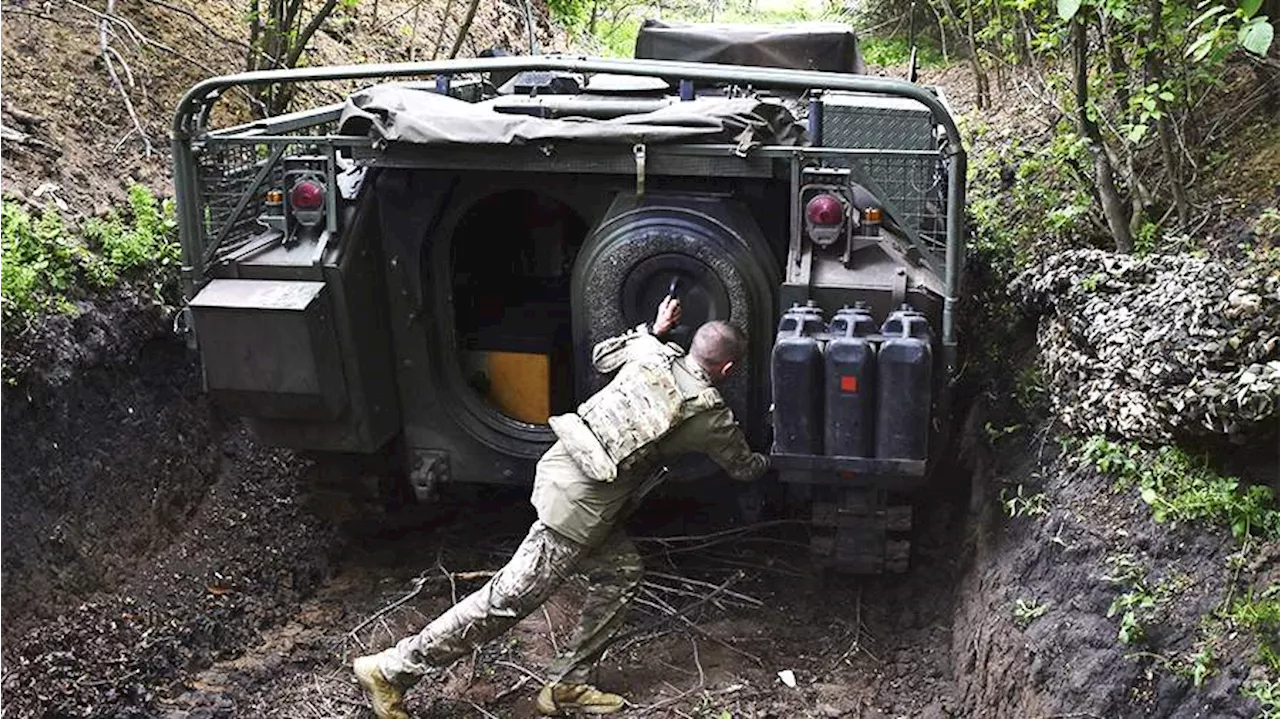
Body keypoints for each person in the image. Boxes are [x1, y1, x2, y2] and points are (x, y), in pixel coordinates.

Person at [353, 297, 770, 718]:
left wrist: (656, 330)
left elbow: (602, 355)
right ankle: (392, 671)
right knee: (507, 600)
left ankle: (569, 683)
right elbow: (745, 467)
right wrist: (779, 450)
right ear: (728, 370)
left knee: (620, 573)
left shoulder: (651, 351)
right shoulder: (709, 416)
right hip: (579, 510)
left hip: (563, 471)